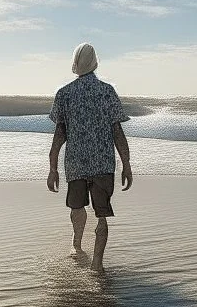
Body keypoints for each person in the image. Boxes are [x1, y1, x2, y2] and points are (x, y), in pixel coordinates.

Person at [46, 42, 133, 272]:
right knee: (102, 214)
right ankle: (97, 264)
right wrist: (126, 164)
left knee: (76, 207)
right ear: (95, 62)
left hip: (75, 164)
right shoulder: (107, 91)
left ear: (75, 63)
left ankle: (76, 244)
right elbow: (117, 132)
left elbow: (59, 136)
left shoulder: (64, 94)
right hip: (103, 163)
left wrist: (53, 168)